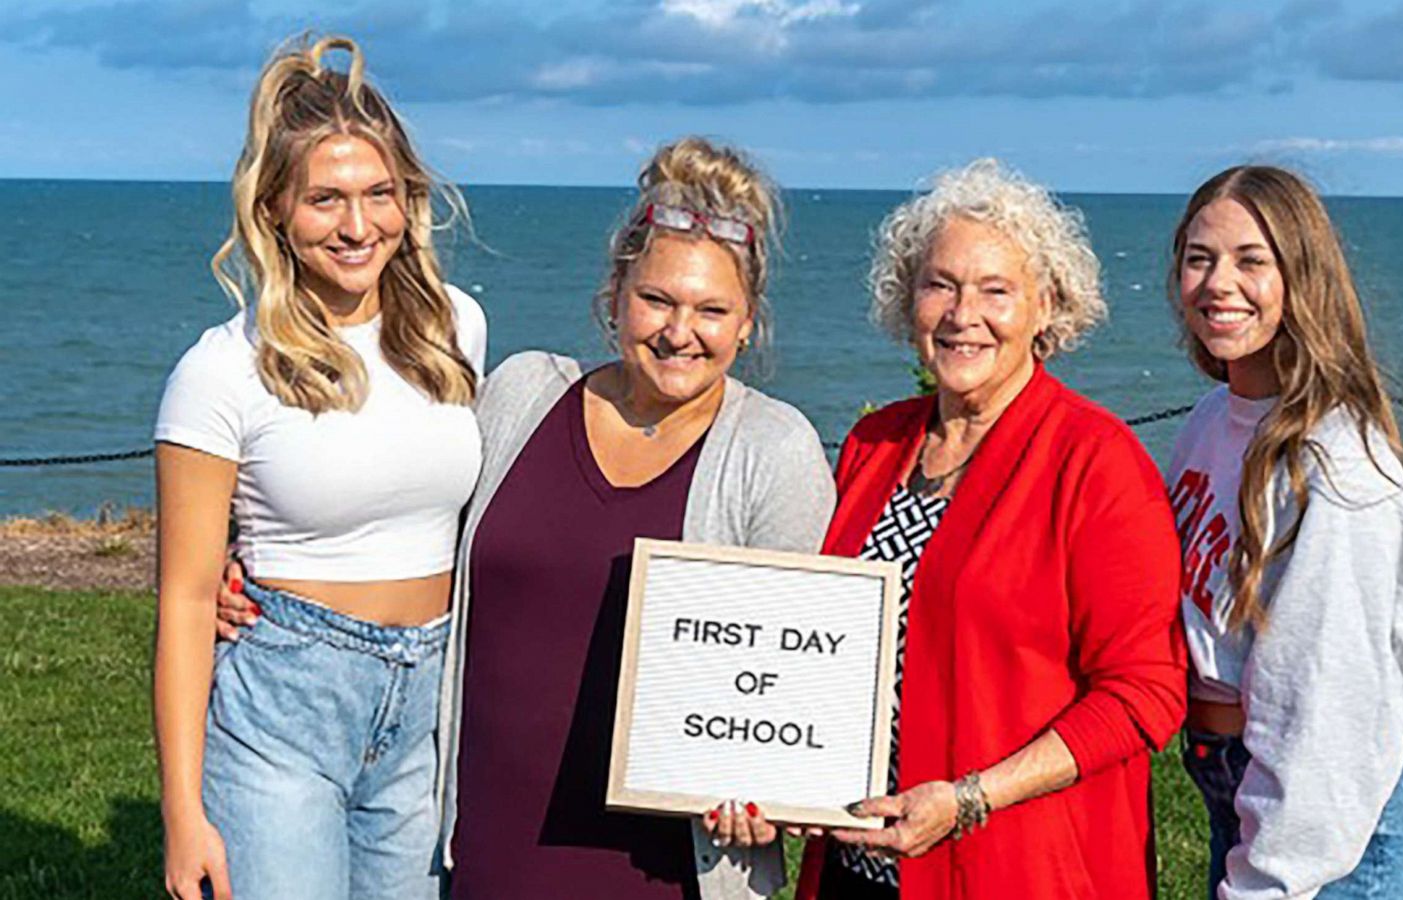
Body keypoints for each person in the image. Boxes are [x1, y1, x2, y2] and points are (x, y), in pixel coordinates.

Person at [435, 137, 834, 898]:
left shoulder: (773, 450)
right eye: (657, 300)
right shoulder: (521, 394)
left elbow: (794, 683)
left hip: (663, 871)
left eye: (711, 310)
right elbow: (416, 544)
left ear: (747, 321)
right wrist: (265, 577)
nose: (679, 332)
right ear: (616, 293)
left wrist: (773, 791)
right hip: (482, 848)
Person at [796, 159, 1188, 899]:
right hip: (860, 865)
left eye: (995, 291)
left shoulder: (1095, 462)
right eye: (939, 284)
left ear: (1046, 308)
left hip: (1017, 868)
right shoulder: (874, 445)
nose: (961, 313)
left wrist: (972, 798)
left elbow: (1144, 694)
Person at [152, 35, 485, 900]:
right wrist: (181, 816)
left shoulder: (459, 329)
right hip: (283, 710)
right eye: (325, 200)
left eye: (379, 195)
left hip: (429, 707)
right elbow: (187, 600)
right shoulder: (221, 371)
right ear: (273, 213)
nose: (357, 226)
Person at [1165, 165, 1403, 898]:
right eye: (1199, 258)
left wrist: (1267, 881)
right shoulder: (1212, 422)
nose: (1217, 283)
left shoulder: (1333, 464)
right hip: (1242, 790)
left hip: (1332, 839)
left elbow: (1325, 706)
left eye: (1251, 260)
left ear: (1302, 278)